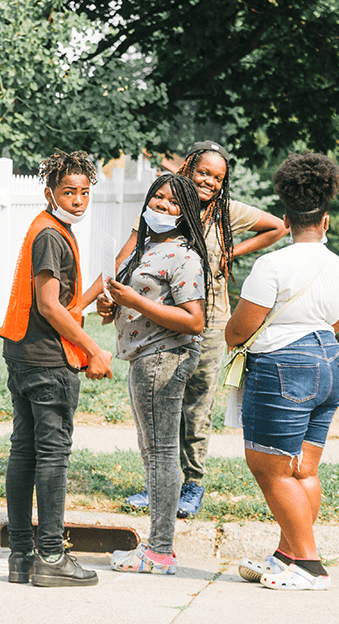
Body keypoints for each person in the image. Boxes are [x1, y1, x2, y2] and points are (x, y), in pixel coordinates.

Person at [109, 141, 287, 517]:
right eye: (203, 172)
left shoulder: (227, 213)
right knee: (159, 401)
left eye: (217, 177)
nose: (209, 181)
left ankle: (192, 485)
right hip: (160, 318)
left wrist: (227, 253)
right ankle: (159, 482)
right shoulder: (167, 202)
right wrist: (111, 290)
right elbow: (129, 250)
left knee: (197, 403)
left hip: (209, 320)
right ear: (188, 166)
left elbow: (277, 227)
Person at [225, 152, 339, 591]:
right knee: (303, 470)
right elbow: (337, 323)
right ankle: (287, 555)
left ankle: (310, 566)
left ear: (286, 218)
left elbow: (238, 330)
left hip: (284, 367)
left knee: (270, 469)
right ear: (326, 221)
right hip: (330, 364)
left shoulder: (272, 265)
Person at [1, 151, 114, 588]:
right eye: (69, 192)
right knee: (51, 456)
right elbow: (48, 304)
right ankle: (50, 555)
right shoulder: (51, 235)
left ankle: (20, 558)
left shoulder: (47, 228)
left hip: (22, 353)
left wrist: (89, 298)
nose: (79, 200)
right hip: (48, 361)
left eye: (85, 192)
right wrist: (92, 350)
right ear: (50, 192)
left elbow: (59, 301)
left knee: (24, 451)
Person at [104, 174, 210, 575]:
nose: (163, 206)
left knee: (162, 452)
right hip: (144, 358)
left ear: (186, 213)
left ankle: (160, 551)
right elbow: (142, 299)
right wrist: (116, 307)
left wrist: (134, 301)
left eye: (173, 202)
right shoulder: (150, 247)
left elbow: (193, 320)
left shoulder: (183, 256)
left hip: (163, 358)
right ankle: (157, 547)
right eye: (158, 198)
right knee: (152, 451)